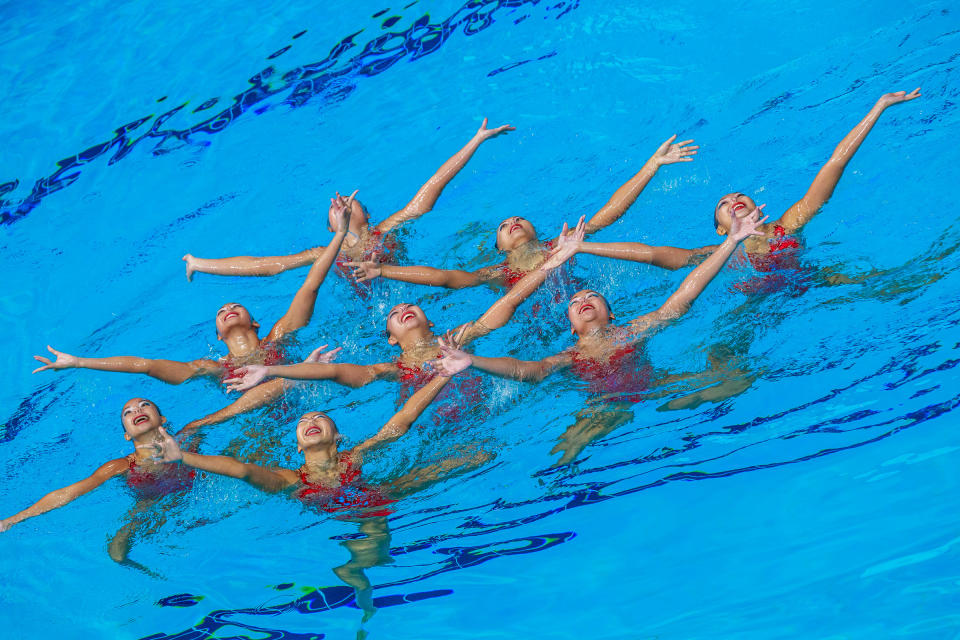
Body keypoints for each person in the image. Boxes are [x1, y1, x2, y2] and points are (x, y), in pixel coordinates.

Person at [148, 349, 483, 620]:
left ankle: (363, 586)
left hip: (376, 498)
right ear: (297, 445)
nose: (310, 420)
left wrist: (443, 375)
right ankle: (361, 591)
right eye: (304, 421)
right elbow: (242, 471)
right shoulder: (292, 479)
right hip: (339, 511)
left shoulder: (354, 457)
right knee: (363, 557)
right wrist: (184, 458)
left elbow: (401, 421)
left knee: (473, 457)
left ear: (338, 437)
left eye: (319, 418)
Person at [432, 207, 768, 464]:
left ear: (611, 313)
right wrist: (473, 360)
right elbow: (530, 371)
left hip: (656, 388)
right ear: (571, 327)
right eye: (575, 301)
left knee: (735, 382)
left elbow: (683, 296)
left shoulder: (632, 331)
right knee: (565, 453)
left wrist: (731, 242)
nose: (582, 301)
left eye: (592, 297)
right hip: (603, 407)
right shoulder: (570, 356)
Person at [213, 219, 588, 426]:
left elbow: (507, 302)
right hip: (438, 429)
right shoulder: (392, 367)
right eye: (394, 314)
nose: (403, 309)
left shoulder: (457, 339)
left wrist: (555, 262)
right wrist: (274, 371)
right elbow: (337, 373)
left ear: (429, 317)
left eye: (410, 307)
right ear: (390, 337)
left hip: (488, 414)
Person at [31, 193, 357, 398]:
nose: (228, 306)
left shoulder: (279, 339)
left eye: (236, 305)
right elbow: (145, 365)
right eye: (223, 310)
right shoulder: (213, 367)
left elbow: (310, 286)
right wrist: (79, 361)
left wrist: (341, 234)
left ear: (256, 323)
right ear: (218, 334)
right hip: (259, 423)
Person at [182, 119, 515, 293]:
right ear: (331, 227)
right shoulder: (327, 253)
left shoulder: (387, 228)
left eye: (350, 201)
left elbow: (432, 186)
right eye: (334, 206)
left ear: (367, 215)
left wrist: (476, 140)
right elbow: (264, 265)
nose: (340, 202)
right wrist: (200, 263)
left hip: (413, 290)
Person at [347, 134, 714, 290]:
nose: (513, 222)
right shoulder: (498, 273)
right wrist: (384, 271)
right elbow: (446, 278)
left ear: (537, 229)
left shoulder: (564, 243)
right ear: (499, 246)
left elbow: (609, 213)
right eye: (504, 225)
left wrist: (652, 164)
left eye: (518, 219)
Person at [712, 89, 921, 294]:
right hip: (764, 306)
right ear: (721, 229)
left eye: (740, 196)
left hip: (813, 283)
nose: (733, 199)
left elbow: (835, 164)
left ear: (757, 206)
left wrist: (880, 106)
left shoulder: (787, 225)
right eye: (724, 203)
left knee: (886, 286)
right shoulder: (723, 255)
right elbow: (679, 261)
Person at [0, 398, 196, 572]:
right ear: (127, 435)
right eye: (128, 412)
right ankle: (154, 575)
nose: (137, 410)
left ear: (162, 419)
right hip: (151, 505)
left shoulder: (188, 437)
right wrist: (13, 519)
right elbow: (68, 492)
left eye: (145, 405)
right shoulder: (121, 466)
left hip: (196, 490)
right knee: (117, 553)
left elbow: (225, 415)